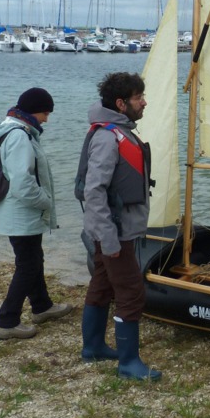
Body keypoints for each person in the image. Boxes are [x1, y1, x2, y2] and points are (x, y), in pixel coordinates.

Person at [79, 71, 161, 380]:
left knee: (101, 285)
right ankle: (128, 364)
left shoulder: (119, 132)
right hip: (115, 233)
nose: (144, 103)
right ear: (121, 103)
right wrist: (108, 240)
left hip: (114, 230)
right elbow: (94, 192)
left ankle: (94, 347)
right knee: (130, 292)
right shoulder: (107, 138)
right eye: (139, 98)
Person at [0, 87, 73, 340]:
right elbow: (22, 182)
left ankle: (42, 306)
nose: (47, 118)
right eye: (45, 112)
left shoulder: (16, 131)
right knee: (28, 265)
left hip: (20, 213)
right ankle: (7, 321)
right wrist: (45, 202)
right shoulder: (18, 136)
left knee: (33, 259)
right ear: (32, 111)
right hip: (22, 213)